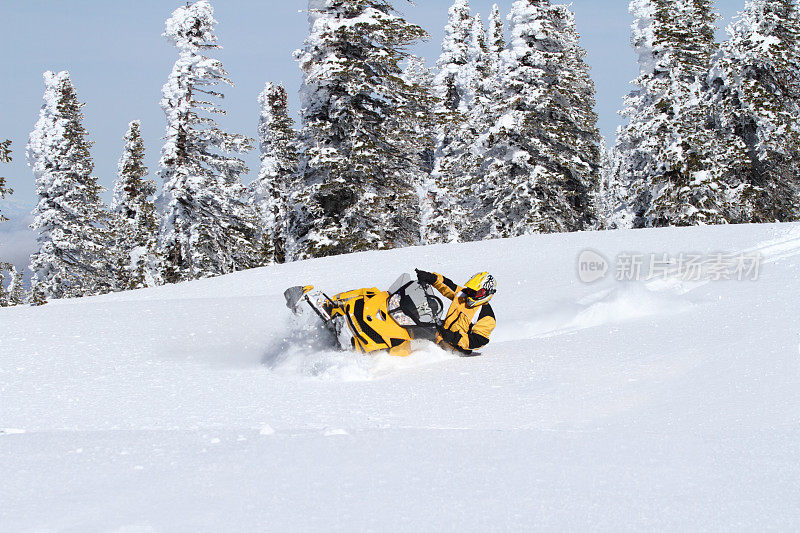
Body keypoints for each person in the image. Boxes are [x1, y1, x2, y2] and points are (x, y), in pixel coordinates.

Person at [414, 269, 497, 355]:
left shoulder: (486, 316)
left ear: (487, 293)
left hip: (453, 352)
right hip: (440, 336)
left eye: (477, 292)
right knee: (411, 330)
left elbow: (478, 341)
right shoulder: (464, 296)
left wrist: (454, 337)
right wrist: (432, 278)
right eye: (470, 290)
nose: (471, 294)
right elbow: (448, 286)